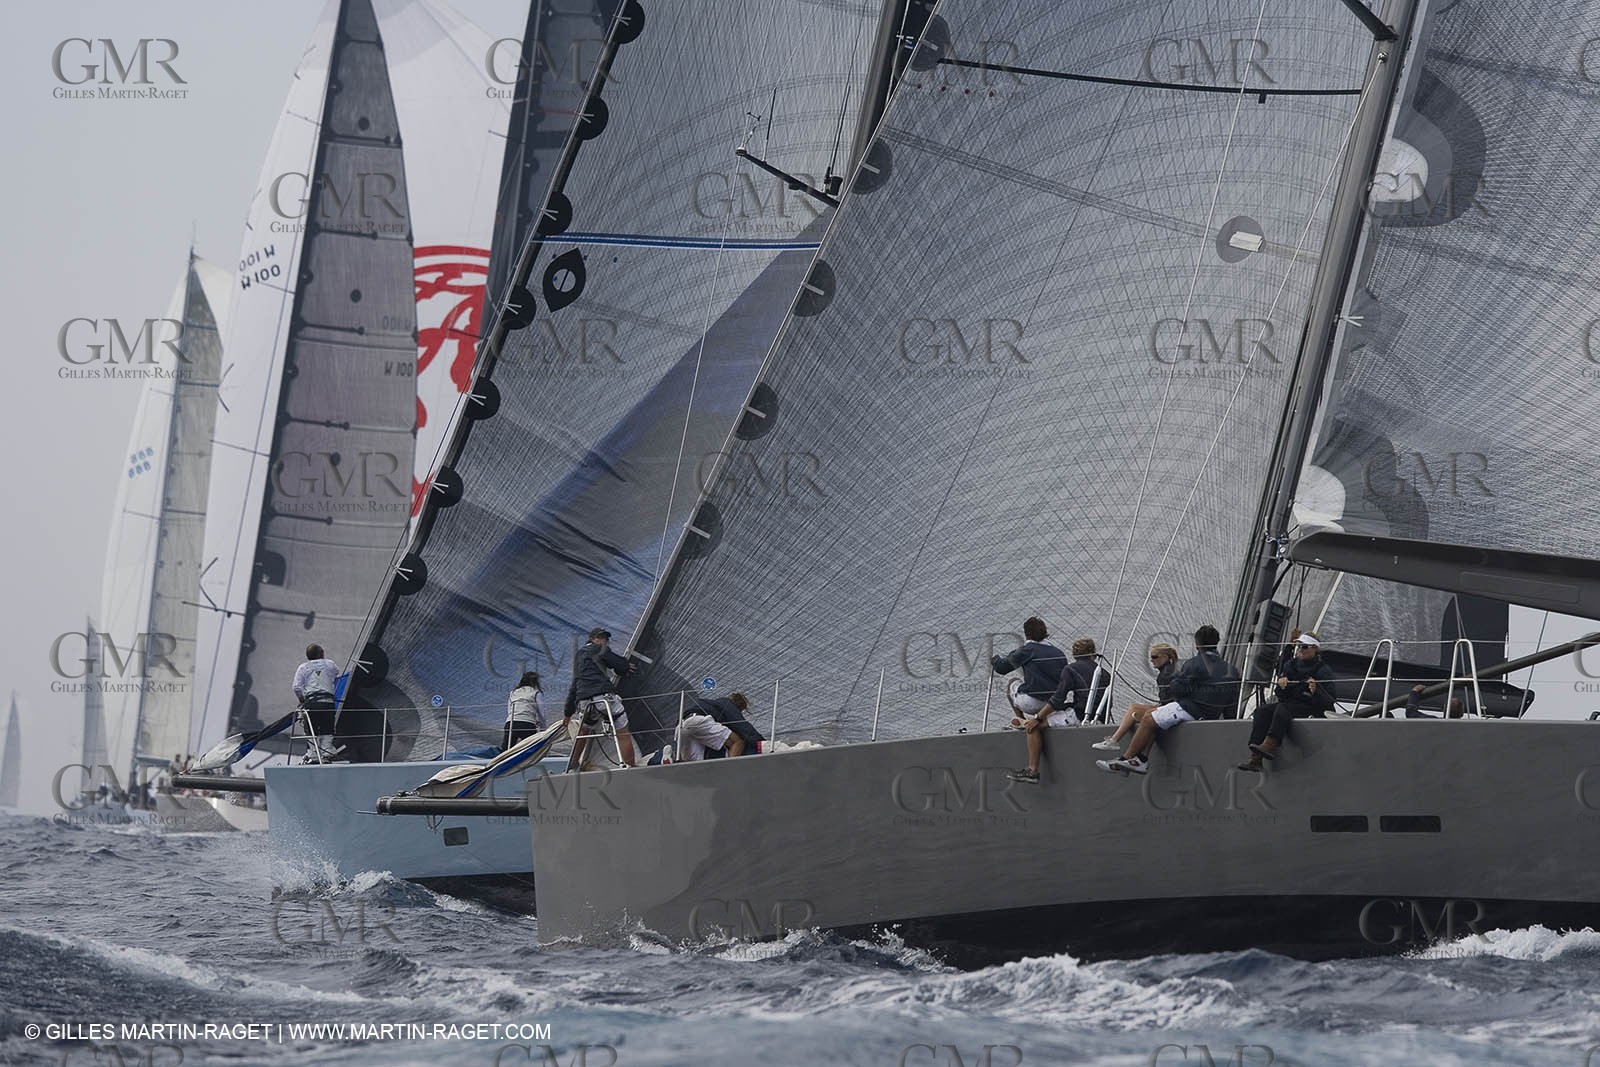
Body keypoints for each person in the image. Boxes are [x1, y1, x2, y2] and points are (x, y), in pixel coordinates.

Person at [1097, 625, 1239, 775]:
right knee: (1155, 717)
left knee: (1148, 718)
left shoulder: (1194, 663)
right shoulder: (1231, 669)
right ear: (1216, 642)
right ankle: (1140, 759)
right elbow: (1232, 702)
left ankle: (1126, 758)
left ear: (1197, 644)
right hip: (1211, 714)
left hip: (1192, 710)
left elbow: (1178, 689)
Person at [1006, 638, 1104, 784]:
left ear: (1075, 655)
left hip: (1080, 716)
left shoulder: (1071, 669)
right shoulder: (1103, 671)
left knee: (1033, 728)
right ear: (1093, 654)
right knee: (1054, 714)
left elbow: (1057, 699)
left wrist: (1038, 718)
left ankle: (1032, 770)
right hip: (1101, 716)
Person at [1237, 633, 1337, 770]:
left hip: (1311, 707)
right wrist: (1281, 686)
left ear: (1315, 648)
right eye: (1298, 646)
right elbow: (1281, 695)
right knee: (1262, 711)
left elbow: (1330, 700)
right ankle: (1255, 757)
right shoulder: (1291, 665)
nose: (1300, 649)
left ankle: (1270, 745)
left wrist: (1316, 690)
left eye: (1304, 646)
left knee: (1283, 709)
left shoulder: (1324, 671)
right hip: (1291, 704)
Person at [563, 628, 637, 769]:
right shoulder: (600, 649)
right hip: (603, 697)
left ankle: (572, 766)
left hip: (584, 701)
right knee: (623, 731)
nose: (605, 642)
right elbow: (619, 664)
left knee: (584, 731)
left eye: (606, 639)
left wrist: (567, 713)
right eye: (602, 638)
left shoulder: (579, 656)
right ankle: (630, 767)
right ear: (594, 639)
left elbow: (575, 684)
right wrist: (626, 667)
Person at [1092, 643, 1178, 751]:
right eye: (1150, 657)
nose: (1151, 660)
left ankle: (1114, 740)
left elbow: (1167, 699)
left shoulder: (1165, 674)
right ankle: (1115, 741)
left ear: (1165, 657)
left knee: (1134, 708)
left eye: (1154, 657)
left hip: (1171, 709)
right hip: (1173, 707)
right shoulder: (1172, 669)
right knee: (1135, 710)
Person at [990, 617, 1069, 723]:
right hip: (1054, 704)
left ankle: (1021, 720)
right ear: (1045, 632)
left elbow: (1001, 668)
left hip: (1033, 702)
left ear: (1026, 633)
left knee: (1012, 682)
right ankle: (1045, 720)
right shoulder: (1059, 653)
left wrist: (995, 659)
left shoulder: (1027, 650)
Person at [677, 692, 764, 761]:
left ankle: (668, 758)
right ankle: (728, 772)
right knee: (737, 742)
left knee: (692, 762)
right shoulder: (727, 704)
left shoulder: (712, 704)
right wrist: (761, 742)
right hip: (698, 721)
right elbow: (742, 726)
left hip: (681, 725)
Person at [292, 643, 341, 759]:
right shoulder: (330, 664)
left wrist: (302, 700)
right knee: (327, 726)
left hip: (312, 703)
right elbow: (336, 674)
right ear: (322, 653)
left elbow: (296, 687)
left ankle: (313, 754)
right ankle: (327, 751)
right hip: (327, 703)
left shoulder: (303, 668)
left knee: (311, 728)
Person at [503, 670, 545, 751]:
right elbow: (541, 713)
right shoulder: (536, 693)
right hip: (527, 724)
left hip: (511, 723)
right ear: (536, 682)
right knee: (530, 750)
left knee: (506, 749)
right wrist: (543, 729)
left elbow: (509, 710)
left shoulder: (513, 692)